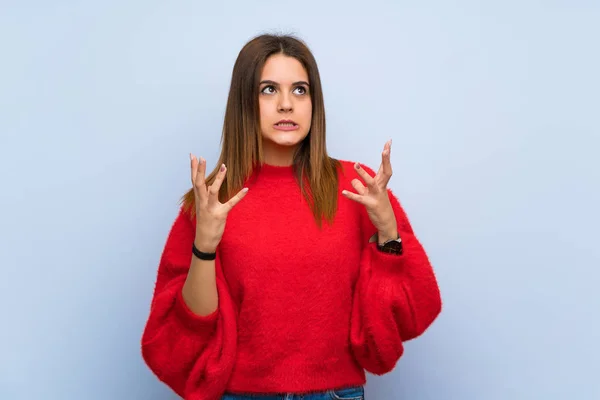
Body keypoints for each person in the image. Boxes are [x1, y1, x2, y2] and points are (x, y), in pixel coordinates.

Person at [140, 33, 442, 400]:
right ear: (245, 103)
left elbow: (412, 315)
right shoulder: (212, 199)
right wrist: (204, 246)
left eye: (300, 90)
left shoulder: (359, 188)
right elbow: (178, 344)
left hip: (335, 393)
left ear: (315, 102)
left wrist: (389, 233)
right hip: (240, 394)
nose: (286, 104)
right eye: (268, 90)